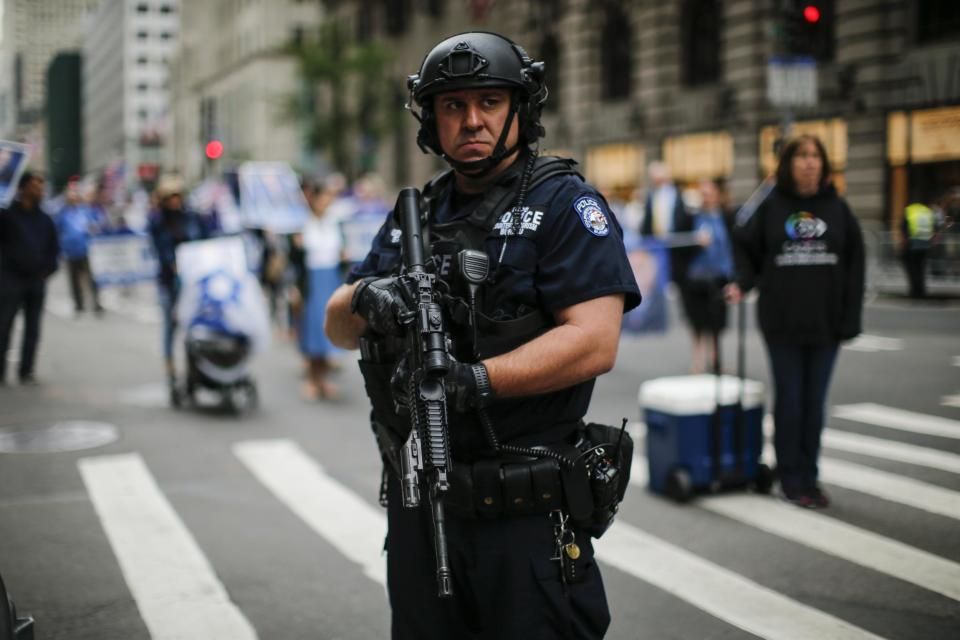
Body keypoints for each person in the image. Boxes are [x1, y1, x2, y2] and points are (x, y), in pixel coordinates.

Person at [324, 32, 640, 640]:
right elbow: (338, 328)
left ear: (519, 109)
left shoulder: (563, 204)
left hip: (523, 517)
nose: (471, 120)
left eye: (489, 102)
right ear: (431, 120)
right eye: (452, 105)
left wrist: (474, 380)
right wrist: (364, 296)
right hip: (423, 505)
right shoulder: (417, 214)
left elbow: (594, 340)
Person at [725, 134, 865, 509]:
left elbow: (855, 265)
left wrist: (849, 319)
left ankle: (810, 476)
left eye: (815, 155)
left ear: (824, 163)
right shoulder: (772, 206)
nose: (808, 162)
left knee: (814, 403)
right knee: (790, 401)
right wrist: (741, 282)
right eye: (801, 156)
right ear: (788, 164)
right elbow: (745, 246)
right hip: (782, 322)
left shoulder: (836, 207)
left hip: (826, 325)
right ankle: (790, 477)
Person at [147, 175, 211, 392]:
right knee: (170, 327)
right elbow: (159, 251)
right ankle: (171, 370)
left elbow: (206, 241)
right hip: (169, 283)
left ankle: (195, 370)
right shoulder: (157, 222)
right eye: (170, 197)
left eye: (177, 196)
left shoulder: (193, 218)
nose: (174, 201)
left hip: (194, 283)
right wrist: (173, 264)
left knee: (195, 329)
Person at [0, 171, 59, 386]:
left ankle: (27, 370)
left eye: (41, 186)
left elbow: (54, 248)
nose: (39, 190)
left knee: (33, 328)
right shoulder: (6, 215)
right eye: (35, 185)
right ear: (22, 187)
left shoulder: (45, 219)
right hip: (10, 281)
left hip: (36, 281)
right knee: (4, 326)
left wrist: (47, 270)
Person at [680, 178, 735, 373]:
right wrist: (696, 242)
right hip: (696, 279)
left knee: (717, 324)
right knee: (697, 323)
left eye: (709, 193)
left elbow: (730, 247)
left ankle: (716, 362)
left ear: (717, 195)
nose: (706, 198)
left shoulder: (726, 217)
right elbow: (680, 246)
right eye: (702, 194)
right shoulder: (691, 218)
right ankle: (698, 363)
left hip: (719, 277)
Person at [298, 185, 343, 400]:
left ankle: (324, 379)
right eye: (322, 199)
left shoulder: (335, 223)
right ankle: (313, 379)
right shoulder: (303, 224)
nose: (326, 203)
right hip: (312, 282)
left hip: (332, 280)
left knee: (328, 330)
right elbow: (295, 261)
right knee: (314, 331)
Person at [56, 180, 107, 315]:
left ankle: (96, 303)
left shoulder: (85, 210)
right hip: (70, 251)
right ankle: (78, 304)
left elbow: (99, 222)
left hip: (86, 249)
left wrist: (95, 227)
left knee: (91, 278)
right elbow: (57, 229)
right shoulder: (63, 213)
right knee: (74, 279)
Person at [900, 200, 937, 298]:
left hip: (913, 244)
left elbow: (903, 227)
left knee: (913, 269)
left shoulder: (910, 210)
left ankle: (914, 291)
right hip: (925, 244)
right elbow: (934, 227)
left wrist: (903, 243)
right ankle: (922, 291)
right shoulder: (927, 211)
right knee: (922, 269)